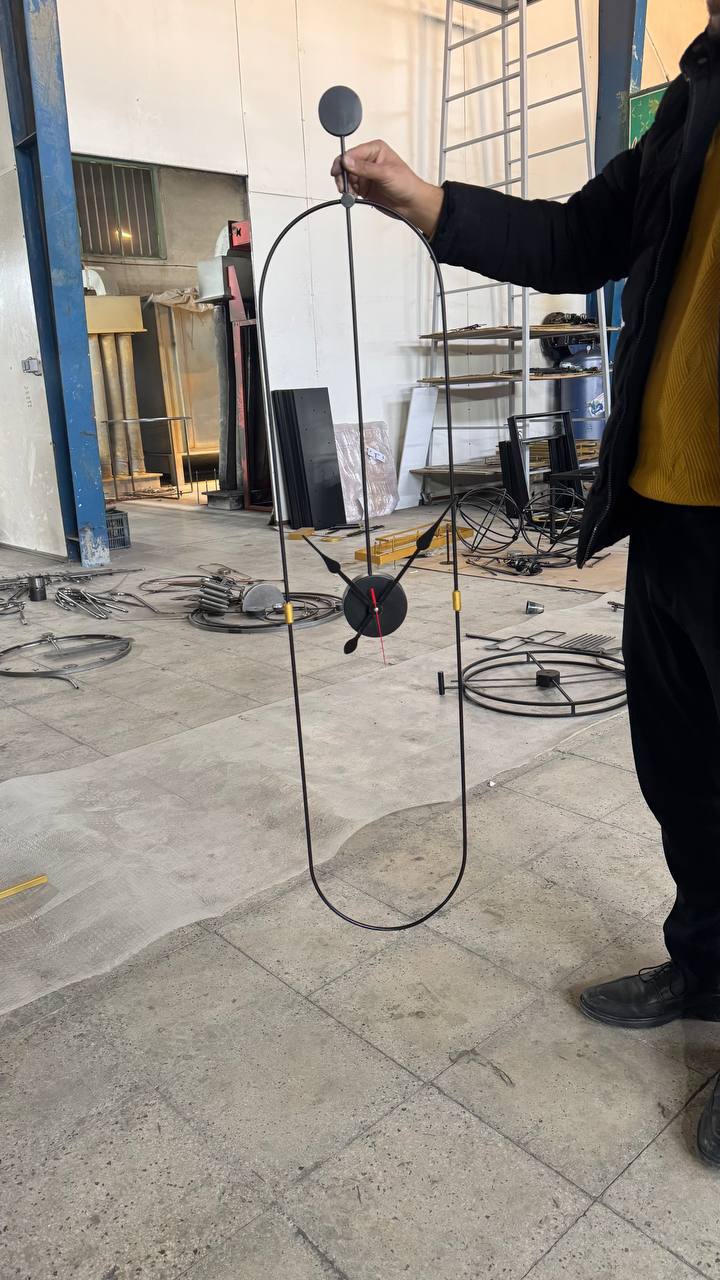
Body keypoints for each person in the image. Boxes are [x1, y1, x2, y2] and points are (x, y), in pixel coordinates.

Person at [333, 3, 720, 1165]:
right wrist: (424, 200)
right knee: (687, 782)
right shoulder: (697, 93)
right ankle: (707, 970)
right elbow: (576, 240)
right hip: (670, 508)